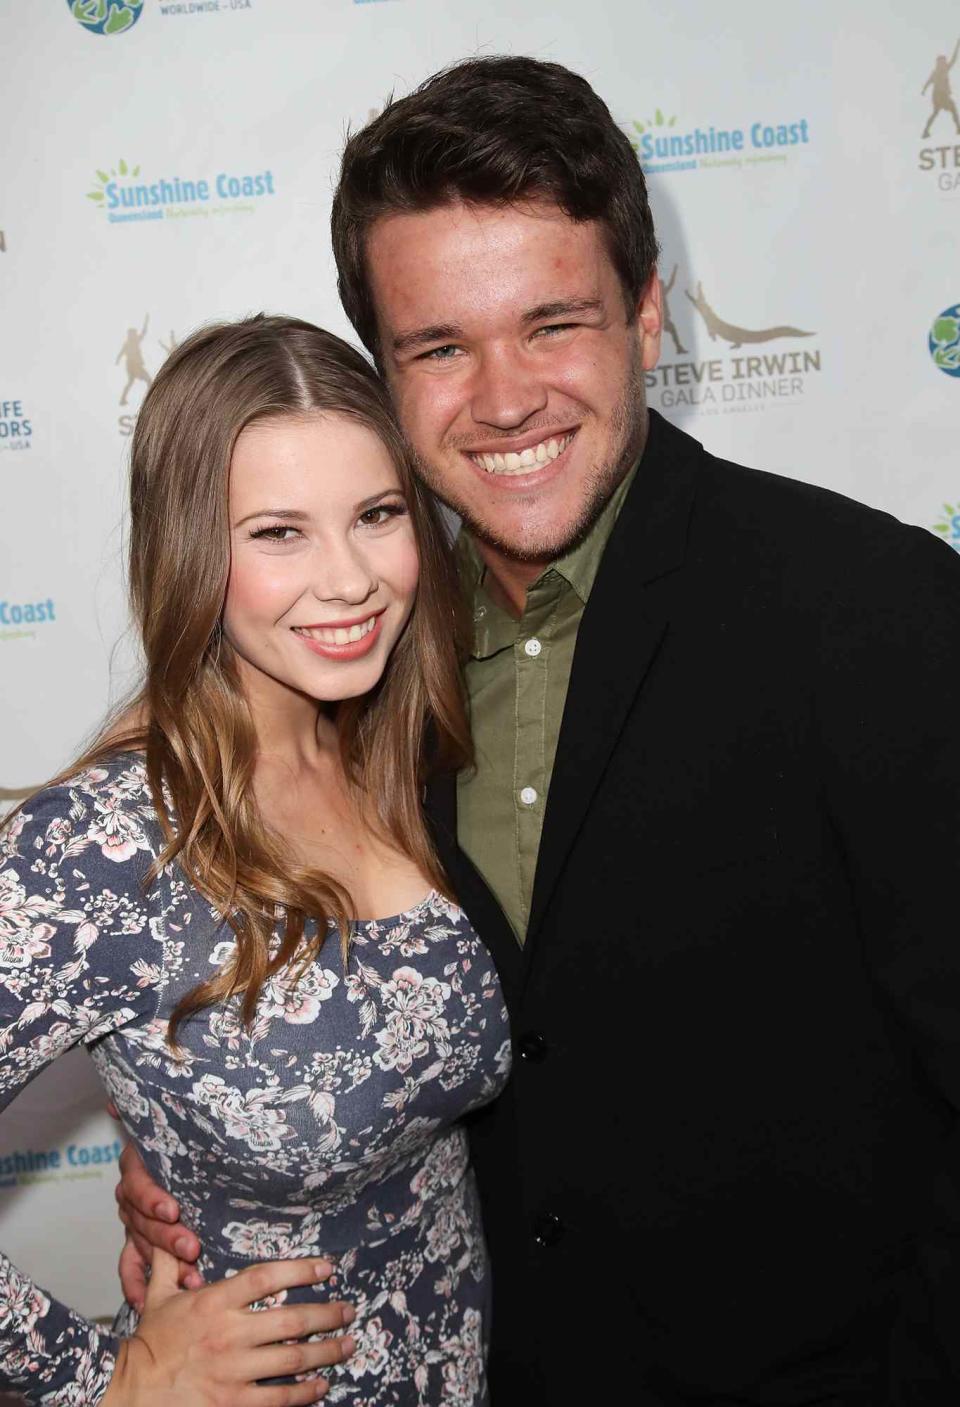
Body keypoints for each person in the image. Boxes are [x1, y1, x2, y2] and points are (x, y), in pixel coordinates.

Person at [117, 57, 960, 1404]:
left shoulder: (876, 613)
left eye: (551, 323)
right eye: (439, 346)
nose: (502, 398)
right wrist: (190, 1142)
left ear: (646, 314)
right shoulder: (345, 654)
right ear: (382, 375)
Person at [0, 315, 510, 1405]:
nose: (351, 581)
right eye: (280, 533)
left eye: (377, 515)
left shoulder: (394, 750)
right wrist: (106, 1382)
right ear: (191, 550)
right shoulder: (101, 847)